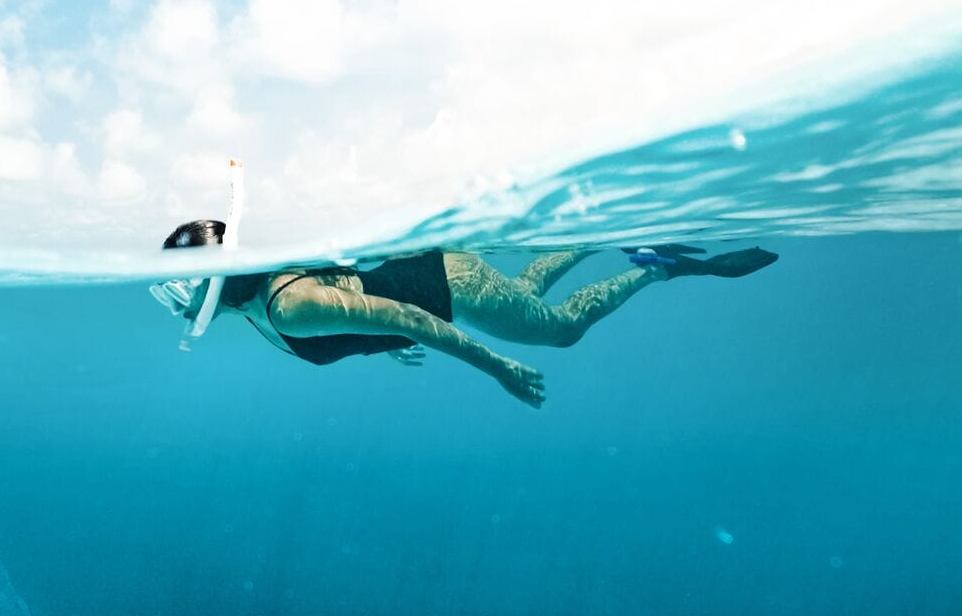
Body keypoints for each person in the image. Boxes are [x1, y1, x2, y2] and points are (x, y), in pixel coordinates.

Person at [156, 219, 777, 407]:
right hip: (439, 278)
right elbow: (365, 308)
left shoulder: (288, 306)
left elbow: (407, 317)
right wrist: (374, 334)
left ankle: (655, 267)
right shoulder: (260, 307)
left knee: (558, 331)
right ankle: (607, 236)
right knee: (528, 294)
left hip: (446, 288)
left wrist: (499, 367)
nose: (184, 303)